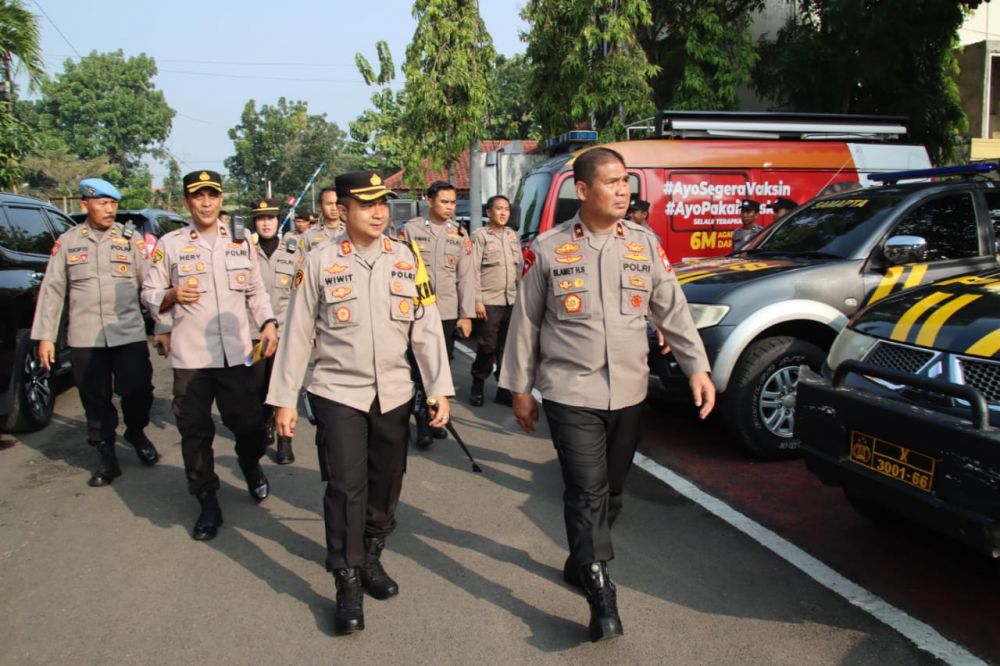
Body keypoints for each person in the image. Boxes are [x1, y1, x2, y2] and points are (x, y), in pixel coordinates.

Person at [499, 147, 715, 642]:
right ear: (583, 191)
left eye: (627, 183)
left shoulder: (644, 244)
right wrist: (519, 388)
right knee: (585, 489)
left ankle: (582, 560)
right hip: (570, 390)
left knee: (612, 492)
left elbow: (672, 309)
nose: (623, 191)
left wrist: (697, 367)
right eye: (613, 182)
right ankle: (600, 592)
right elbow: (525, 322)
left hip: (630, 390)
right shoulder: (549, 249)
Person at [268, 171, 453, 635]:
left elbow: (426, 327)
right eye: (367, 204)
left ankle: (372, 554)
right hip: (337, 391)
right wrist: (285, 400)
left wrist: (438, 387)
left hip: (393, 391)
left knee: (387, 480)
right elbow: (296, 334)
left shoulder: (407, 260)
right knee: (346, 485)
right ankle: (346, 576)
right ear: (343, 209)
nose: (378, 213)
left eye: (383, 204)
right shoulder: (317, 261)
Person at [142, 170, 279, 542]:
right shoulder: (169, 245)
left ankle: (250, 465)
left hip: (236, 355)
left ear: (220, 200)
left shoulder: (241, 242)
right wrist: (170, 296)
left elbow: (255, 290)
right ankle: (207, 501)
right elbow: (149, 291)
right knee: (194, 433)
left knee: (250, 426)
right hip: (192, 360)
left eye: (212, 196)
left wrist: (267, 322)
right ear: (187, 201)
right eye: (198, 197)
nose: (205, 203)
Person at [31, 177, 159, 487]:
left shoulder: (130, 241)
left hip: (127, 332)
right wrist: (46, 336)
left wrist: (164, 327)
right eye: (102, 203)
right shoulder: (68, 242)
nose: (109, 209)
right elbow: (52, 291)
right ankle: (106, 455)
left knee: (138, 390)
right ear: (84, 205)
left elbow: (151, 287)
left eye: (113, 203)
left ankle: (136, 430)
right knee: (95, 399)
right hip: (86, 338)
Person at [399, 181, 475, 446]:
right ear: (430, 201)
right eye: (444, 202)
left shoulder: (460, 234)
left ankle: (434, 415)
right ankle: (421, 420)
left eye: (453, 202)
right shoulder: (410, 230)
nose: (449, 207)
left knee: (440, 367)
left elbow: (466, 277)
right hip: (415, 312)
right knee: (418, 367)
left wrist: (465, 314)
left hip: (445, 312)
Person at [249, 197, 304, 464]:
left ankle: (286, 442)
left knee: (284, 387)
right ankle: (265, 425)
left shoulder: (293, 253)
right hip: (253, 334)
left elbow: (302, 294)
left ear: (278, 220)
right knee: (257, 387)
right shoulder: (245, 252)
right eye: (260, 219)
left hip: (285, 333)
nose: (266, 223)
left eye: (270, 218)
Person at [469, 195, 522, 407]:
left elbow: (519, 269)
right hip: (489, 300)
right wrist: (477, 300)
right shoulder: (480, 236)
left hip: (511, 299)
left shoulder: (512, 235)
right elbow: (472, 269)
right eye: (498, 209)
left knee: (506, 348)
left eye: (506, 209)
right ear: (488, 212)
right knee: (487, 346)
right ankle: (478, 384)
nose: (503, 213)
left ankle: (503, 389)